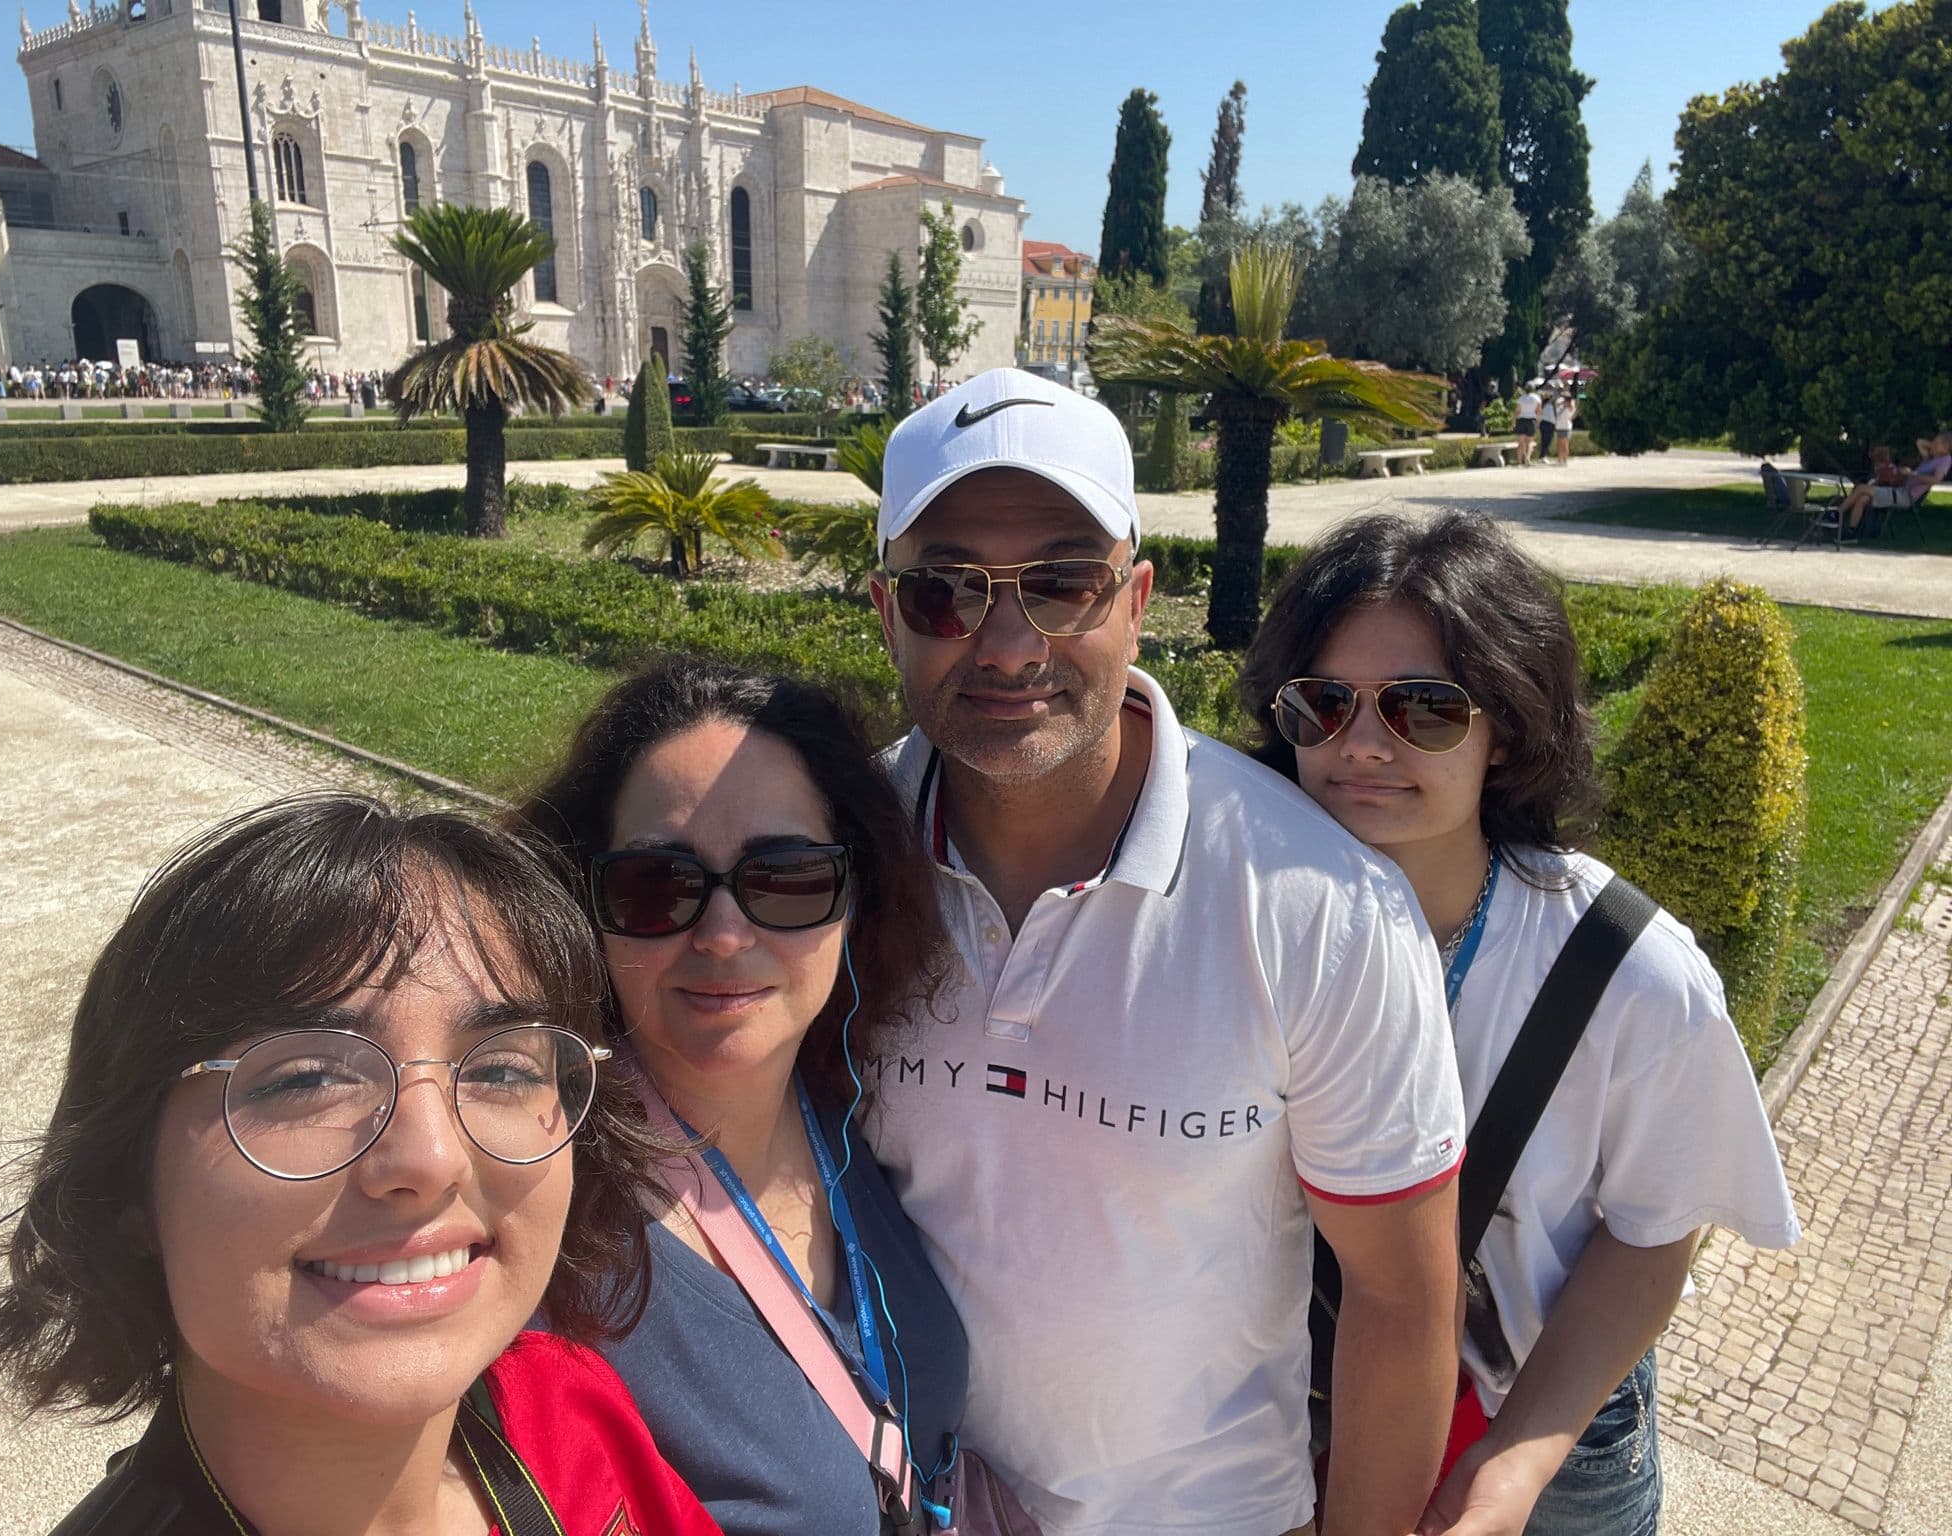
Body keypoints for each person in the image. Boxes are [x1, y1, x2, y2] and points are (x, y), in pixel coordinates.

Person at [861, 368, 1467, 1536]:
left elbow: (1400, 1300)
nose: (1003, 643)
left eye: (1059, 584)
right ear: (884, 608)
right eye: (944, 591)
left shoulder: (1320, 907)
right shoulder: (828, 865)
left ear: (1136, 598)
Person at [0, 794, 720, 1536]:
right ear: (129, 1186)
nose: (432, 1156)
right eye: (306, 1078)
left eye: (503, 1070)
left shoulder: (564, 1404)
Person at [1239, 512, 1800, 1536]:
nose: (1359, 744)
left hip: (1538, 1422)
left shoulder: (1627, 975)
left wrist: (1513, 1463)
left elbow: (1649, 1233)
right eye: (1321, 704)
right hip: (1288, 1409)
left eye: (1424, 709)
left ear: (1507, 733)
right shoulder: (1230, 923)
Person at [510, 662, 967, 1536]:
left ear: (854, 893)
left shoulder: (850, 1110)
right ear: (584, 902)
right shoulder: (546, 1224)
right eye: (656, 887)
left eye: (786, 879)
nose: (723, 935)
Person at [1828, 429, 1951, 538]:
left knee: (1861, 488)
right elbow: (1920, 442)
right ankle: (1851, 532)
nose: (1933, 445)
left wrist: (1912, 474)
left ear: (1946, 447)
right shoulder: (1931, 458)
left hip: (1906, 496)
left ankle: (1836, 514)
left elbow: (1936, 480)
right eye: (1933, 442)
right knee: (1862, 498)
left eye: (1937, 443)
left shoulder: (1945, 460)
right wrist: (1935, 447)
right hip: (1900, 490)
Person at [1514, 382, 1543, 466]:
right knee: (1530, 442)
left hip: (1522, 420)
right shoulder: (1537, 398)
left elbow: (1517, 411)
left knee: (1521, 442)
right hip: (1531, 420)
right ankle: (1528, 457)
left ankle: (1519, 462)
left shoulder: (1521, 398)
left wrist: (1514, 421)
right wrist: (1538, 421)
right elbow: (1539, 411)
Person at [1552, 393, 1576, 467]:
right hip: (1559, 427)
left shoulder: (1570, 408)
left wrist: (1571, 401)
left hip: (1566, 428)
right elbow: (1556, 404)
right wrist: (1562, 402)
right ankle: (1560, 459)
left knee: (1565, 444)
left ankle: (1565, 460)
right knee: (1559, 444)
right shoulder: (1560, 407)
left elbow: (1573, 408)